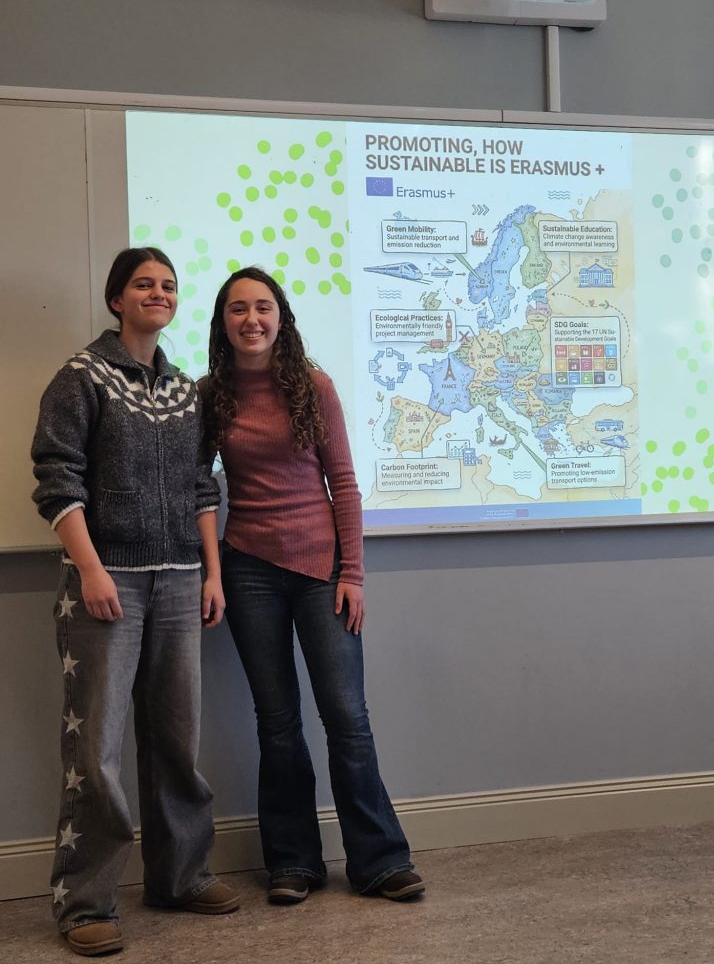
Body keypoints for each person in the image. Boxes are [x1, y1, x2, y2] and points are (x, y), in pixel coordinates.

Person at [31, 247, 239, 958]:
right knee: (96, 747)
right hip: (106, 583)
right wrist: (90, 570)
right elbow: (57, 480)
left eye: (169, 286)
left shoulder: (186, 391)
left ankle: (180, 877)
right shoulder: (81, 377)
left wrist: (212, 574)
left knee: (176, 739)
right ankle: (85, 902)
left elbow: (202, 487)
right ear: (117, 298)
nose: (159, 294)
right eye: (144, 284)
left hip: (181, 581)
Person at [201, 267, 425, 905]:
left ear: (281, 317)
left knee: (347, 718)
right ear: (222, 322)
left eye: (262, 307)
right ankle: (293, 862)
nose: (251, 319)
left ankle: (379, 861)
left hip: (322, 571)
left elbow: (344, 484)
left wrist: (353, 572)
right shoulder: (210, 395)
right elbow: (196, 487)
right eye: (238, 308)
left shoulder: (312, 385)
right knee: (276, 723)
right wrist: (211, 571)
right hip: (248, 570)